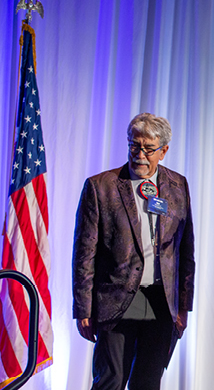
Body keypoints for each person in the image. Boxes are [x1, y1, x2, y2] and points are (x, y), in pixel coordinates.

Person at [72, 113, 195, 390]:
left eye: (148, 149)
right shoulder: (100, 186)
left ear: (163, 151)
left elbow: (186, 251)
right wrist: (83, 308)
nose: (139, 154)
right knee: (111, 380)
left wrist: (184, 306)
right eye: (133, 146)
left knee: (148, 382)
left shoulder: (178, 186)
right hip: (116, 299)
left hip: (161, 302)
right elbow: (84, 254)